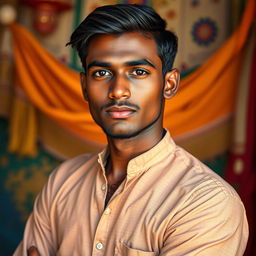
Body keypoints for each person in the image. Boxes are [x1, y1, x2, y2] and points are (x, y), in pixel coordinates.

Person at [14, 4, 248, 256]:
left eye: (138, 72)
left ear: (169, 84)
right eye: (102, 72)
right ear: (84, 86)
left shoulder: (205, 202)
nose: (118, 90)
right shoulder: (62, 182)